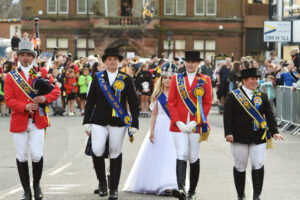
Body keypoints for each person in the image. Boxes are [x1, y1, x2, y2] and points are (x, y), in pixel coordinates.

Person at [4, 40, 61, 200]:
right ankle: (26, 191)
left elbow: (57, 90)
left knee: (36, 154)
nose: (25, 58)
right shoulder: (11, 77)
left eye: (28, 55)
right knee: (21, 155)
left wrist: (45, 98)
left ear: (33, 57)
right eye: (22, 55)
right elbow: (8, 99)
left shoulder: (43, 73)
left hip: (38, 120)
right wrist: (25, 106)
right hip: (19, 119)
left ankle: (36, 186)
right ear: (18, 57)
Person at [83, 47, 139, 200]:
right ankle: (102, 182)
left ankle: (113, 188)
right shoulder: (98, 77)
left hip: (118, 121)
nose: (112, 61)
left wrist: (135, 123)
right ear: (105, 61)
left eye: (115, 59)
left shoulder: (126, 79)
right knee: (97, 149)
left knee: (115, 151)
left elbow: (133, 102)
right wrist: (86, 120)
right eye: (109, 59)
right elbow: (90, 100)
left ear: (119, 61)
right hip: (99, 121)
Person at [223, 68, 284, 200]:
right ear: (244, 80)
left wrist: (274, 132)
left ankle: (257, 194)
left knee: (258, 164)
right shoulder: (233, 95)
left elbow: (269, 115)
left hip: (259, 136)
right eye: (252, 79)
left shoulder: (262, 96)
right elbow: (227, 116)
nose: (255, 81)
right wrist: (228, 133)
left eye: (256, 79)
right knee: (240, 166)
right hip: (239, 136)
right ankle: (240, 195)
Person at [123, 62, 178, 195]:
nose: (167, 80)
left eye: (170, 78)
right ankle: (155, 182)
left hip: (173, 128)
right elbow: (154, 115)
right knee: (158, 155)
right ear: (161, 79)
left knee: (171, 156)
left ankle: (169, 183)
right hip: (159, 127)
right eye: (165, 77)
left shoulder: (178, 94)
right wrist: (152, 131)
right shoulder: (157, 94)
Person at [168, 51, 212, 200]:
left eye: (194, 61)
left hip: (196, 125)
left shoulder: (205, 80)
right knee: (181, 153)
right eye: (188, 61)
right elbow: (171, 101)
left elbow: (207, 103)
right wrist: (178, 121)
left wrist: (195, 121)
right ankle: (181, 188)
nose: (191, 64)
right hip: (178, 125)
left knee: (193, 157)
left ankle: (192, 191)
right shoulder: (176, 78)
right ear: (185, 63)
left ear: (198, 63)